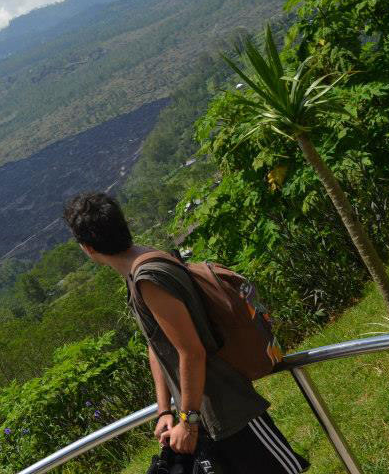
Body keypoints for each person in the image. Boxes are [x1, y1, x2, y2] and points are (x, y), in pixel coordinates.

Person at [63, 191, 309, 474]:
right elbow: (156, 344)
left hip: (228, 410)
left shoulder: (149, 278)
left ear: (87, 248)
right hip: (201, 415)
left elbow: (191, 351)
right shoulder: (139, 269)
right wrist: (165, 410)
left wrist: (188, 422)